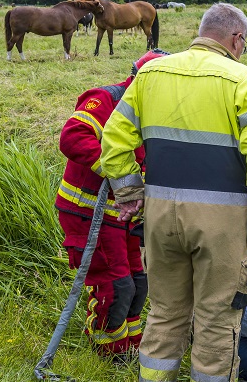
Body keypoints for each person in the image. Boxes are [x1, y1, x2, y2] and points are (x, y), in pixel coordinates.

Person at [101, 3, 247, 382]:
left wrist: (130, 193)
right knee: (218, 313)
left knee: (165, 310)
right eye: (246, 43)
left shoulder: (149, 74)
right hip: (222, 221)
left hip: (160, 214)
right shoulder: (244, 80)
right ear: (237, 39)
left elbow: (113, 138)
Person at [55, 49, 167, 361]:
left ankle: (131, 343)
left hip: (123, 215)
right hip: (88, 212)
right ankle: (108, 350)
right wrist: (122, 176)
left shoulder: (154, 113)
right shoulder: (105, 100)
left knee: (138, 284)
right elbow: (73, 137)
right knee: (117, 286)